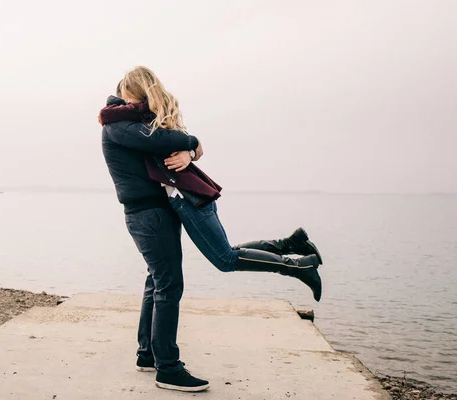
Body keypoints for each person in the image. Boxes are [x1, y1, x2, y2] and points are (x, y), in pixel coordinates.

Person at [99, 66, 324, 303]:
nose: (123, 101)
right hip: (189, 196)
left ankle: (298, 266)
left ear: (137, 92)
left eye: (127, 95)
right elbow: (167, 145)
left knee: (225, 258)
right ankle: (290, 244)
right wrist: (191, 149)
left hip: (188, 199)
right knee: (227, 253)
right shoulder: (147, 121)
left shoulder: (148, 124)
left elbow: (166, 141)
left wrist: (191, 148)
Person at [100, 76, 210, 392]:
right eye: (144, 94)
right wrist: (191, 142)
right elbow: (161, 140)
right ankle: (169, 368)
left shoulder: (128, 123)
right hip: (147, 213)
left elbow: (165, 139)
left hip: (153, 212)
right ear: (129, 94)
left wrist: (190, 148)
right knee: (169, 283)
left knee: (156, 280)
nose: (147, 101)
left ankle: (148, 355)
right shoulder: (118, 124)